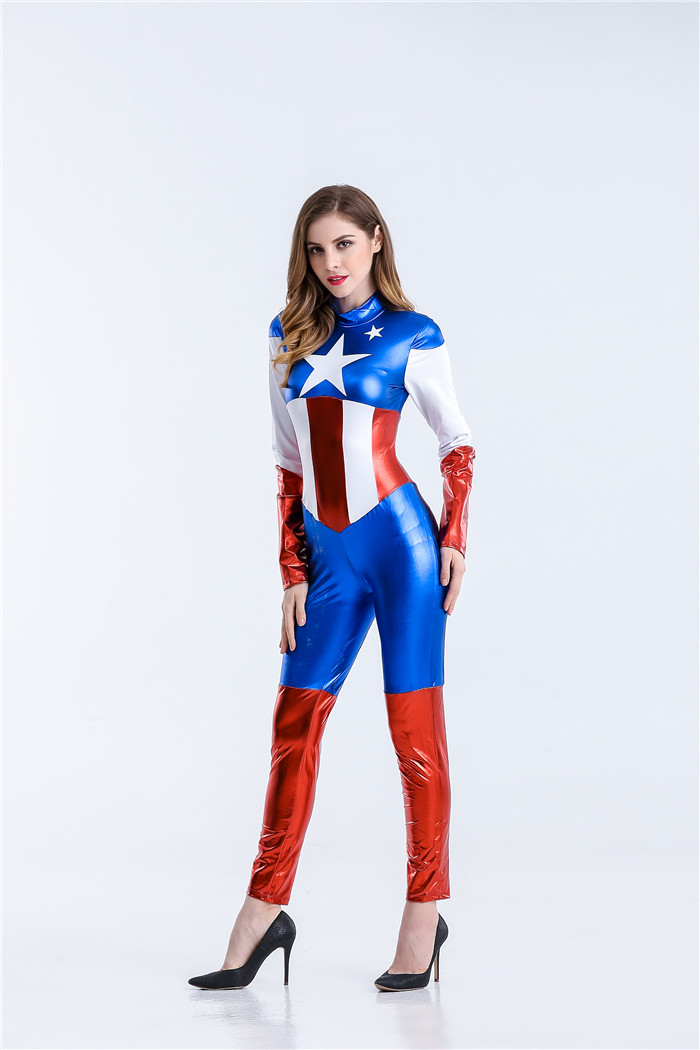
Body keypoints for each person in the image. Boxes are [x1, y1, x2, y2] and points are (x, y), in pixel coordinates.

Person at [189, 184, 476, 993]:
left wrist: (454, 535)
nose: (331, 263)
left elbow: (456, 441)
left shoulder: (414, 334)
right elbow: (288, 462)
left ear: (376, 240)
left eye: (345, 244)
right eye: (317, 250)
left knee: (415, 739)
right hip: (327, 557)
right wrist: (291, 570)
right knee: (293, 727)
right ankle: (262, 913)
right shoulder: (287, 334)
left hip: (403, 547)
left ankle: (423, 915)